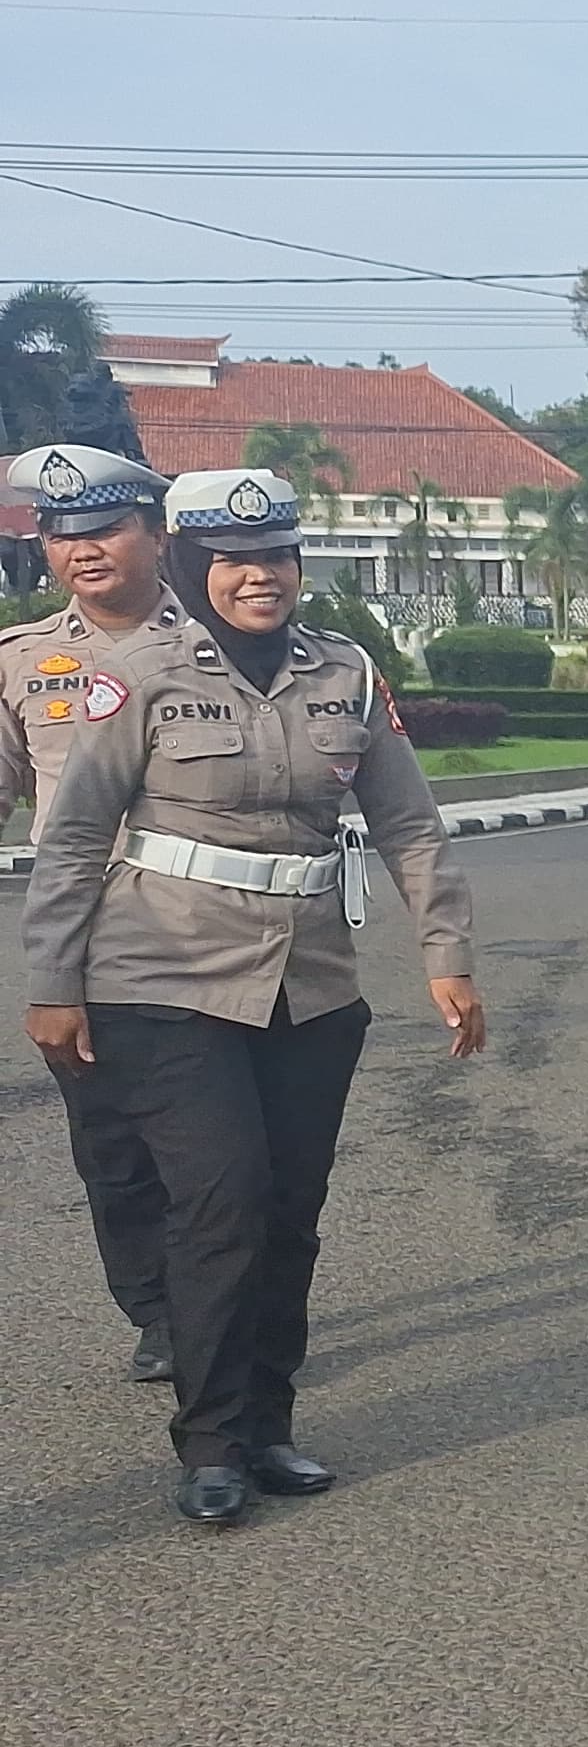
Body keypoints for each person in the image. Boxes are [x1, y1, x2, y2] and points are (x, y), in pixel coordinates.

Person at [21, 470, 482, 1527]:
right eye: (234, 560)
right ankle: (212, 1441)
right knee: (220, 1199)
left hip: (309, 987)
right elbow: (76, 836)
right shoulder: (132, 675)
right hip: (159, 978)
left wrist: (446, 952)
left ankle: (269, 1425)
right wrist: (52, 983)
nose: (260, 577)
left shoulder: (347, 675)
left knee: (288, 1210)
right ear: (193, 565)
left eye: (276, 555)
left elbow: (408, 824)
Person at [1, 444, 188, 1380]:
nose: (82, 548)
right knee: (113, 1151)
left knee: (231, 1159)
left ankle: (237, 1309)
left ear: (155, 535)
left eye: (105, 527)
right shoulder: (25, 662)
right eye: (60, 532)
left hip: (210, 939)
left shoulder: (222, 643)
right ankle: (158, 1313)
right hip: (83, 945)